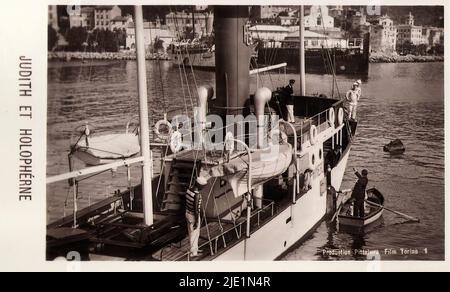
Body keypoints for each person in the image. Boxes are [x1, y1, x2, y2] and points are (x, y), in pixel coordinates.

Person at [185, 176, 206, 257]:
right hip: (193, 216)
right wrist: (197, 221)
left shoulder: (189, 190)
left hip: (187, 213)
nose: (203, 188)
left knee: (192, 233)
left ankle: (195, 249)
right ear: (199, 185)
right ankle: (193, 253)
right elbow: (196, 210)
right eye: (203, 186)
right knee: (194, 233)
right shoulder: (197, 195)